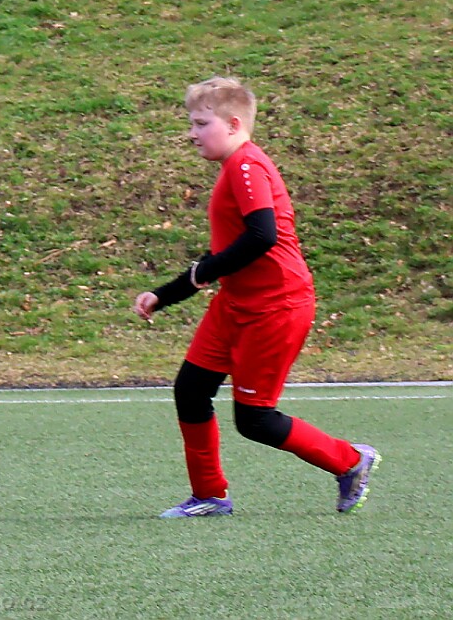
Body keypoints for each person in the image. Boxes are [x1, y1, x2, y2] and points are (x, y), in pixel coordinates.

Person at [132, 76, 380, 518]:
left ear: (232, 125)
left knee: (255, 419)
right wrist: (164, 294)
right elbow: (228, 251)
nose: (191, 133)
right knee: (191, 390)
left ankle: (349, 462)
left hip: (276, 307)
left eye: (200, 123)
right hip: (236, 303)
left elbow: (262, 236)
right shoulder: (234, 167)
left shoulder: (247, 165)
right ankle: (209, 496)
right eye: (191, 123)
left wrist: (200, 273)